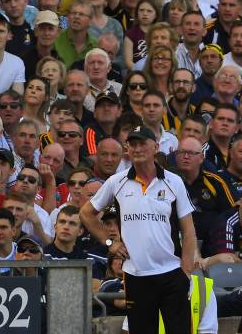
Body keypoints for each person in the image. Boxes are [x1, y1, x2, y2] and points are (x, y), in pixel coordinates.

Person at [81, 125, 196, 333]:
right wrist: (110, 243)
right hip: (136, 275)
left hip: (171, 273)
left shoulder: (174, 181)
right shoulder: (117, 181)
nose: (137, 148)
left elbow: (188, 230)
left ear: (156, 147)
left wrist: (185, 273)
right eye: (132, 144)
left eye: (142, 143)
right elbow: (86, 213)